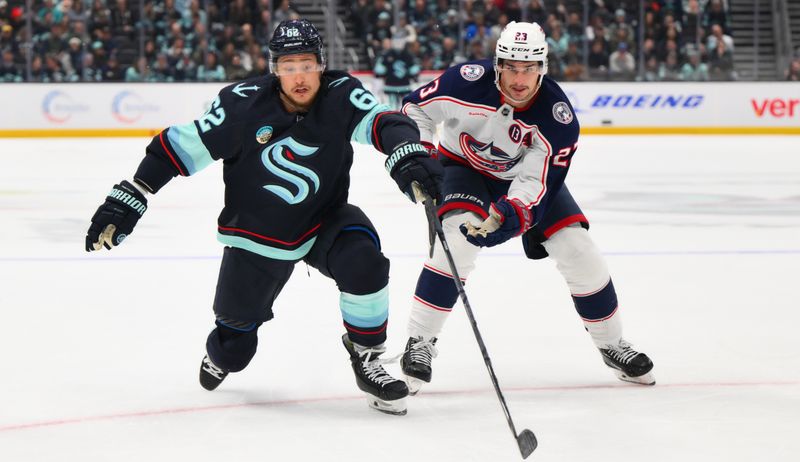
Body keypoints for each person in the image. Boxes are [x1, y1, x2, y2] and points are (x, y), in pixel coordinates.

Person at [84, 19, 442, 416]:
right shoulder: (242, 104)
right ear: (274, 69)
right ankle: (221, 355)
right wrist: (133, 193)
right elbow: (178, 147)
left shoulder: (340, 94)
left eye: (306, 64)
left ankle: (367, 357)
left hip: (324, 218)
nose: (299, 76)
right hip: (257, 234)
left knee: (364, 260)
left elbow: (384, 123)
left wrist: (407, 153)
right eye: (288, 67)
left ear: (321, 64)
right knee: (236, 345)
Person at [397, 21, 655, 394]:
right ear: (498, 64)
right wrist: (421, 157)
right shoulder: (463, 82)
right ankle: (420, 342)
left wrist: (512, 212)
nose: (520, 79)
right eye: (512, 68)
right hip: (462, 170)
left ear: (543, 67)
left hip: (522, 180)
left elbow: (537, 182)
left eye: (530, 68)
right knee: (457, 243)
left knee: (578, 250)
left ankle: (612, 343)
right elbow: (414, 109)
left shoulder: (558, 118)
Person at [373, 36, 421, 110]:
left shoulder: (407, 55)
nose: (398, 44)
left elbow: (379, 70)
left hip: (401, 86)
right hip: (393, 86)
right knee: (399, 107)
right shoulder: (388, 54)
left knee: (402, 107)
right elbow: (379, 70)